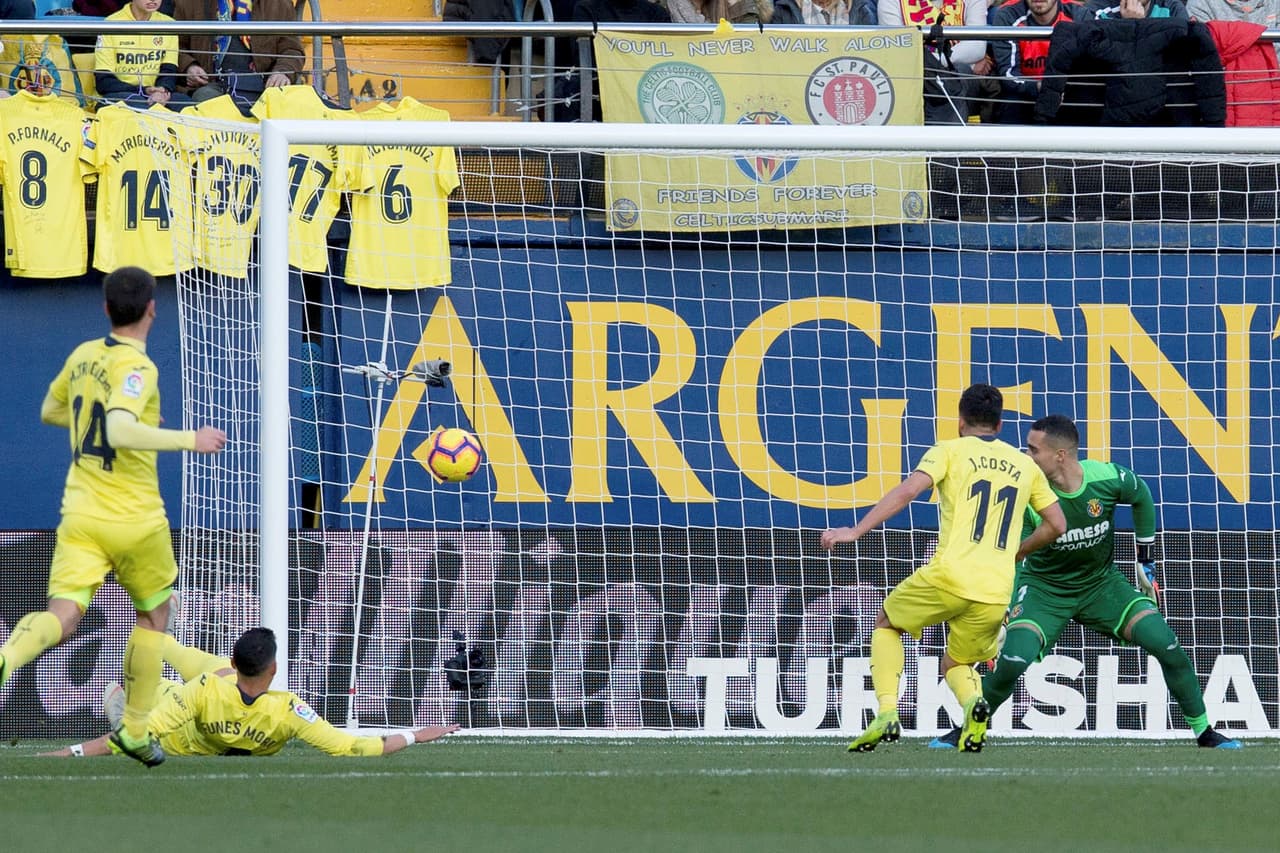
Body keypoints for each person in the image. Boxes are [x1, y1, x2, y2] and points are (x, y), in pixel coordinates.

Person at [0, 266, 227, 768]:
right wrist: (191, 439)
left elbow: (50, 410)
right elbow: (121, 431)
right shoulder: (139, 369)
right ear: (152, 308)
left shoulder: (84, 356)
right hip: (135, 517)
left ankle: (7, 658)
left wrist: (112, 419)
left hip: (81, 511)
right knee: (153, 615)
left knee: (63, 614)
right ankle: (136, 729)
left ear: (105, 308)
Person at [929, 414, 1243, 749]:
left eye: (1034, 450)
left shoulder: (1106, 478)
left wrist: (1145, 560)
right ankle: (967, 728)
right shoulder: (1027, 495)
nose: (1027, 456)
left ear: (1060, 455)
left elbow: (1142, 495)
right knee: (1012, 662)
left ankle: (1204, 732)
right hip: (1044, 590)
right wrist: (1006, 608)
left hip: (1101, 586)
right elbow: (1014, 557)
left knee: (1166, 645)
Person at [821, 383, 1066, 753]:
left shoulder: (948, 451)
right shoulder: (1024, 466)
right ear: (1000, 425)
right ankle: (973, 708)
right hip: (995, 589)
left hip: (950, 575)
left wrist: (855, 530)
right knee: (958, 660)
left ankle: (887, 712)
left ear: (960, 421)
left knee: (887, 623)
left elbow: (908, 491)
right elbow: (1057, 524)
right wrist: (1016, 553)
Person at [42, 627, 460, 758]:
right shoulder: (290, 711)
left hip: (197, 693)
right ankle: (127, 685)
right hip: (181, 700)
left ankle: (143, 641)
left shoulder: (206, 689)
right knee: (147, 675)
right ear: (274, 669)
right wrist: (414, 734)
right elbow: (353, 747)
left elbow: (131, 740)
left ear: (236, 660)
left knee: (158, 653)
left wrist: (71, 753)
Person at [172, 0, 303, 116]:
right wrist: (189, 67)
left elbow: (292, 50)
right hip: (213, 84)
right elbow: (175, 45)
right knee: (205, 99)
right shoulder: (188, 3)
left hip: (264, 85)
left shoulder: (279, 3)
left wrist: (282, 72)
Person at [94, 0, 187, 107]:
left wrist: (162, 90)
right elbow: (103, 81)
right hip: (120, 94)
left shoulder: (169, 23)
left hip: (156, 93)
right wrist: (143, 90)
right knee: (139, 103)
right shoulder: (111, 23)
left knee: (189, 106)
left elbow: (169, 70)